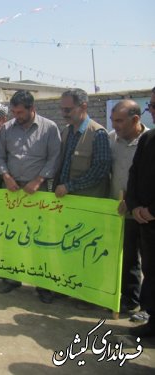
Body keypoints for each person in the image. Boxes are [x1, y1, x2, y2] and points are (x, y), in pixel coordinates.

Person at [0, 90, 61, 303]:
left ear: (32, 109)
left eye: (20, 112)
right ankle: (13, 278)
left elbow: (54, 158)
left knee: (40, 240)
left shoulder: (49, 128)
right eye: (13, 111)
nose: (16, 115)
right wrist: (6, 176)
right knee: (12, 236)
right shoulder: (6, 129)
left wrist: (39, 180)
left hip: (38, 193)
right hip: (12, 191)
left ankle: (43, 284)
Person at [110, 100, 150, 320]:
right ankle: (129, 299)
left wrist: (134, 202)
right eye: (112, 120)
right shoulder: (110, 140)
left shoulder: (149, 142)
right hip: (118, 212)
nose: (115, 125)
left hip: (143, 213)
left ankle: (147, 308)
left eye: (119, 121)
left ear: (135, 120)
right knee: (126, 259)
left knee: (148, 262)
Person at [125, 87, 155, 338]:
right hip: (144, 220)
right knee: (151, 269)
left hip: (151, 215)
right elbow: (133, 175)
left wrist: (152, 210)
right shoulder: (149, 139)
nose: (152, 112)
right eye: (152, 106)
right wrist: (135, 205)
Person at [54, 89, 111, 199]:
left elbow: (99, 171)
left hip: (87, 201)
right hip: (64, 199)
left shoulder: (98, 133)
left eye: (67, 110)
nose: (63, 114)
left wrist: (69, 187)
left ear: (83, 107)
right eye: (62, 109)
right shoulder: (66, 132)